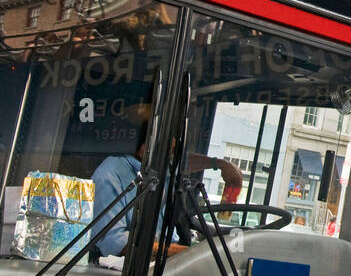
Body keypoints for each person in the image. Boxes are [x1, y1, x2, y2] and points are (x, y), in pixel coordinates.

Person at [91, 108, 243, 261]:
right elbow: (114, 243)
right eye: (169, 153)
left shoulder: (158, 168)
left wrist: (219, 164)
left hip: (161, 264)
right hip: (127, 272)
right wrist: (188, 253)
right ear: (145, 149)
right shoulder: (110, 175)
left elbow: (184, 163)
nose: (174, 160)